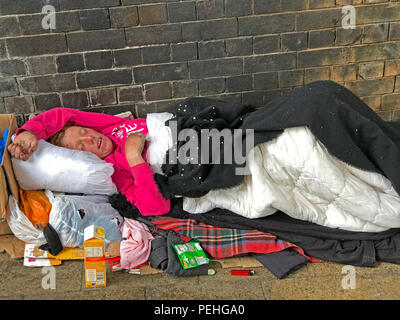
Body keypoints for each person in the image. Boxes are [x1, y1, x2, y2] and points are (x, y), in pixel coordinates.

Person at [7, 107, 170, 217]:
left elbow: (62, 114)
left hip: (177, 124)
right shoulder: (114, 172)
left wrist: (29, 131)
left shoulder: (108, 127)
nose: (90, 138)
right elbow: (156, 207)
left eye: (84, 131)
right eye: (81, 146)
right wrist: (134, 157)